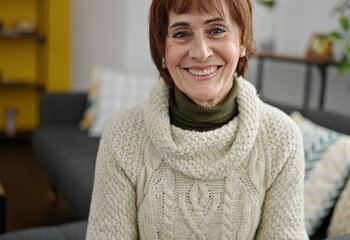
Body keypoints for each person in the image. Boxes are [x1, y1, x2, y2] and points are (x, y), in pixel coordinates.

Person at [86, 0, 308, 239]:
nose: (201, 52)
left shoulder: (281, 137)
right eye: (181, 34)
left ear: (242, 40)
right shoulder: (123, 135)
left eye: (217, 30)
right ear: (162, 48)